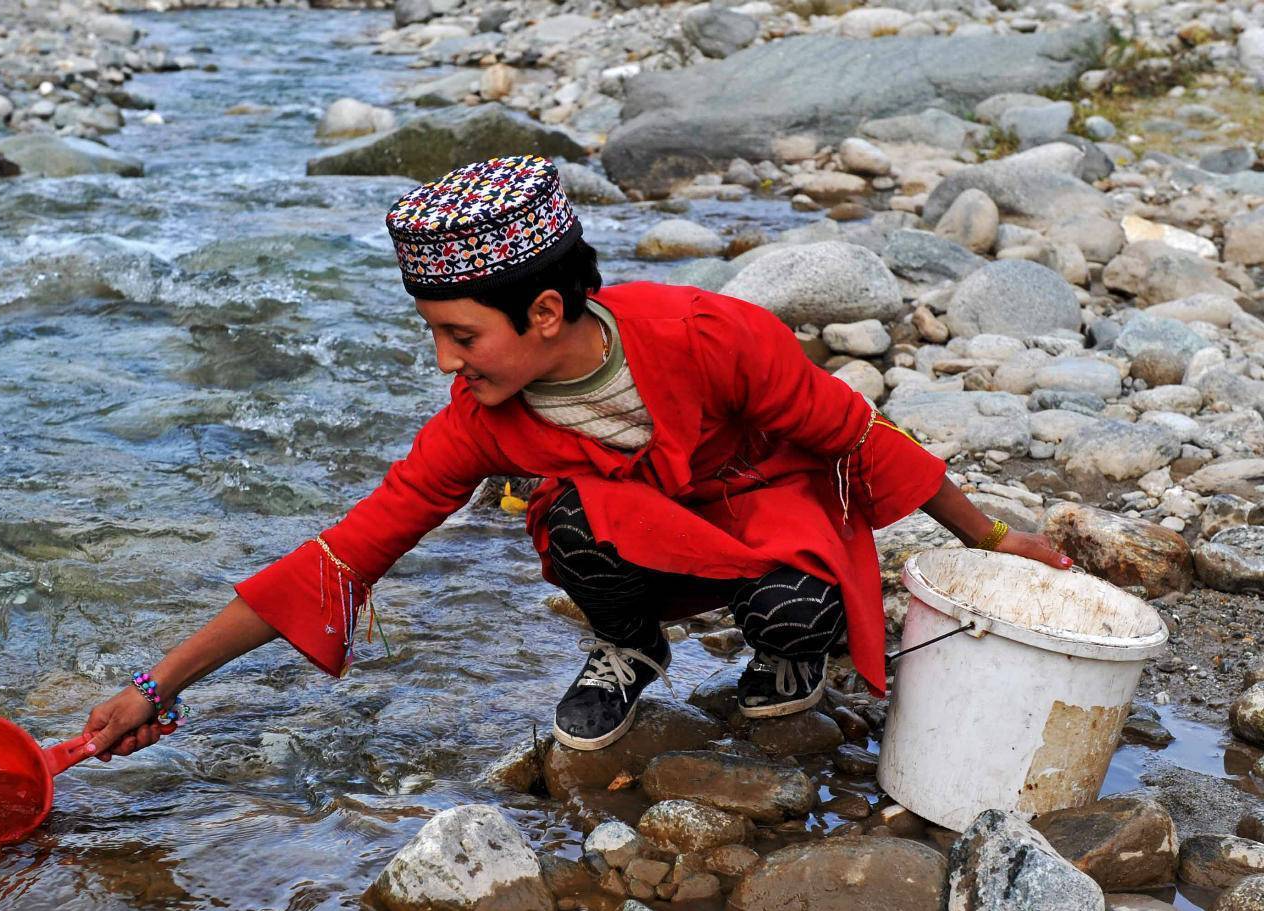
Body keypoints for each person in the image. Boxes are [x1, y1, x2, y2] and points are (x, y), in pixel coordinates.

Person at [81, 154, 1071, 759]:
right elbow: (345, 554)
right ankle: (630, 646)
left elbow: (855, 434)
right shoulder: (478, 419)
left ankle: (784, 662)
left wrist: (993, 538)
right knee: (568, 519)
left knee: (797, 609)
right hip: (645, 536)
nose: (443, 360)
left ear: (546, 311)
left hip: (762, 506)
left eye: (460, 335)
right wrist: (156, 685)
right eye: (432, 332)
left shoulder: (708, 334)